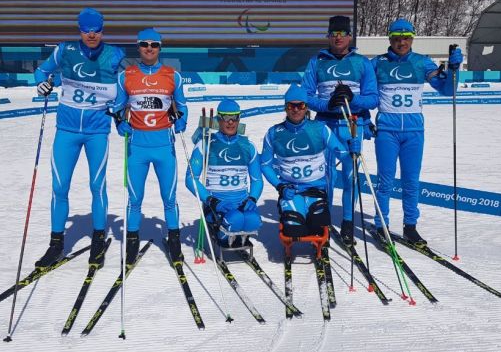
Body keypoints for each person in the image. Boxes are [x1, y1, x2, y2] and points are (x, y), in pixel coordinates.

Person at [34, 8, 125, 269]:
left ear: (102, 30)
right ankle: (56, 244)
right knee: (60, 187)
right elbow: (41, 73)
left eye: (96, 29)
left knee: (97, 186)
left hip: (97, 131)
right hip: (67, 130)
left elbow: (122, 88)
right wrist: (42, 84)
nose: (92, 34)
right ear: (80, 30)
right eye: (87, 30)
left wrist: (120, 112)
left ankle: (97, 240)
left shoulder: (115, 54)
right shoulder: (64, 51)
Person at [371, 18, 463, 245]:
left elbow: (447, 90)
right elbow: (365, 93)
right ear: (390, 39)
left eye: (406, 38)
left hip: (413, 131)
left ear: (412, 39)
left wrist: (454, 69)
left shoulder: (422, 63)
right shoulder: (377, 63)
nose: (401, 42)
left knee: (411, 181)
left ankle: (410, 227)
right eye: (397, 38)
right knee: (385, 182)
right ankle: (381, 225)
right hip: (387, 131)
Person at [108, 28, 188, 263]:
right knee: (134, 199)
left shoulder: (173, 75)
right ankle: (131, 245)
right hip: (137, 147)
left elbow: (182, 105)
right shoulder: (126, 76)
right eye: (144, 44)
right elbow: (118, 107)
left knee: (169, 197)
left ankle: (175, 244)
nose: (149, 48)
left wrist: (182, 119)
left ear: (160, 47)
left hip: (164, 145)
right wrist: (120, 122)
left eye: (154, 44)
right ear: (138, 46)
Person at [301, 15, 378, 245]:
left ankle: (346, 223)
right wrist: (327, 104)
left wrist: (352, 100)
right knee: (325, 175)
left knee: (350, 176)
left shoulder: (362, 62)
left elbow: (373, 98)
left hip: (352, 124)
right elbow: (305, 96)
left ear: (349, 36)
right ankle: (322, 221)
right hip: (324, 124)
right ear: (328, 36)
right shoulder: (317, 61)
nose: (337, 38)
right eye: (333, 34)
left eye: (342, 34)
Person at [260, 85, 353, 238]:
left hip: (316, 189)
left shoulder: (320, 129)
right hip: (291, 191)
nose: (295, 110)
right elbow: (265, 165)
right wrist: (280, 186)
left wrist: (351, 151)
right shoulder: (274, 133)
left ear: (306, 107)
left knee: (318, 225)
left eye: (300, 105)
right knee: (295, 230)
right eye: (291, 105)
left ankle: (320, 246)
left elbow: (342, 154)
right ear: (285, 107)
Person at [185, 99, 263, 248]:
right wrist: (210, 200)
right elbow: (190, 178)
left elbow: (257, 180)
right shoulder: (205, 143)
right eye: (226, 117)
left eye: (235, 118)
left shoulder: (248, 146)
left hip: (241, 201)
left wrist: (252, 198)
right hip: (218, 204)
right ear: (218, 119)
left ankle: (239, 238)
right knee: (236, 220)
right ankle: (221, 235)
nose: (230, 122)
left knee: (254, 220)